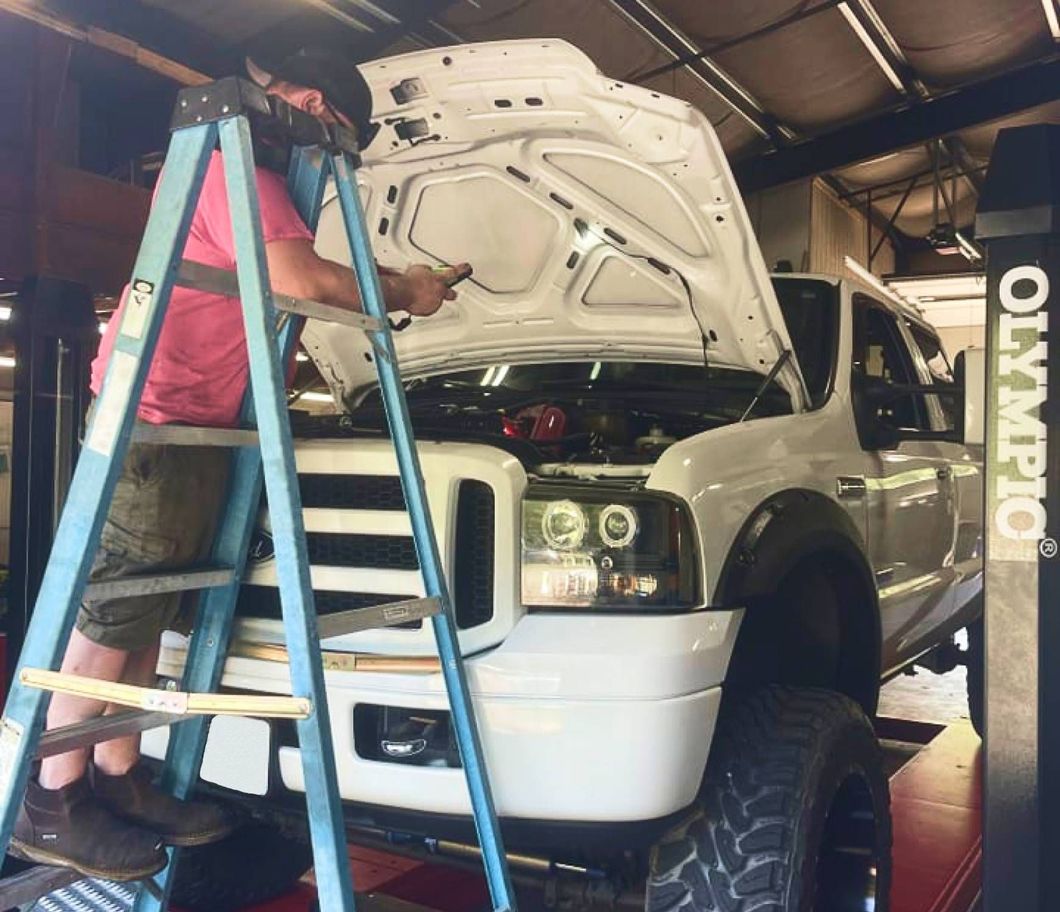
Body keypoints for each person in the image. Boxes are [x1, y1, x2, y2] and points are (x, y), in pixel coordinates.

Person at [12, 49, 468, 880]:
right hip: (156, 416)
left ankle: (116, 775)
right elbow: (299, 279)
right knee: (114, 607)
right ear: (318, 106)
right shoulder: (238, 171)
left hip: (198, 421)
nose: (326, 153)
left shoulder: (258, 185)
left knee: (149, 608)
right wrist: (405, 290)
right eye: (337, 136)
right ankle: (54, 794)